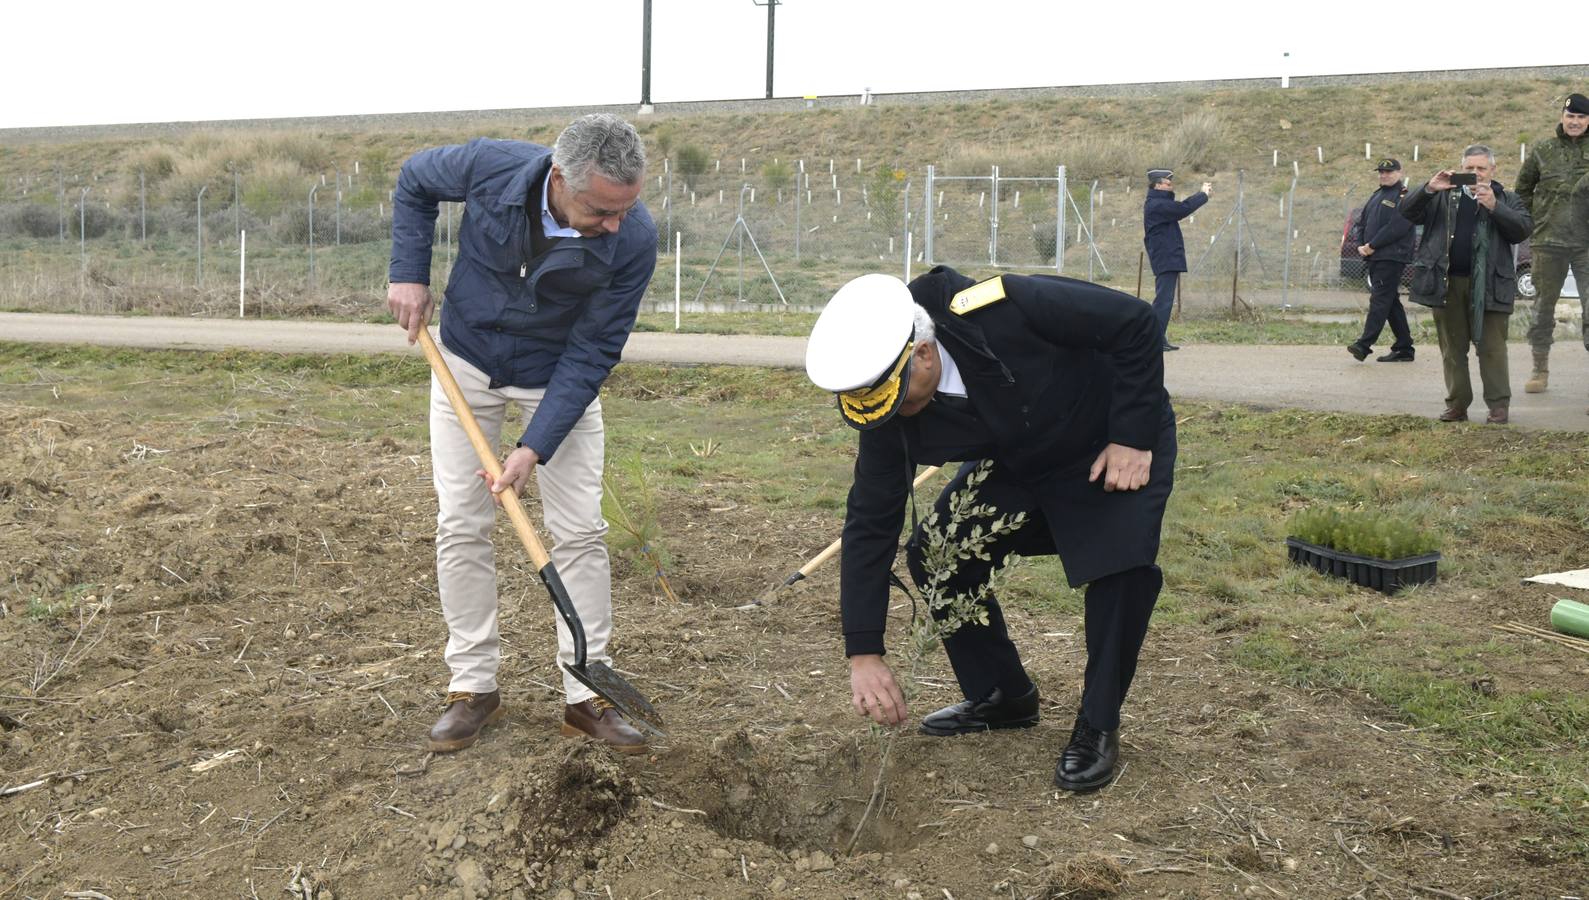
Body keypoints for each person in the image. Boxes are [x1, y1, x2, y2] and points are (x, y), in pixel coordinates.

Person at [803, 266, 1176, 792]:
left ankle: (1098, 724)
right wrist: (863, 651)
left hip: (1107, 436)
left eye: (904, 401)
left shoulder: (1004, 307)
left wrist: (1133, 436)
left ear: (924, 353)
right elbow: (869, 523)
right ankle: (1004, 696)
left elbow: (1136, 323)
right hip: (1023, 459)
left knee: (1122, 569)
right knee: (938, 552)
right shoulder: (887, 411)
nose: (899, 417)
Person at [386, 114, 657, 754]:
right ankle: (473, 686)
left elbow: (593, 351)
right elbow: (414, 181)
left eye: (627, 208)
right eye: (602, 210)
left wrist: (533, 447)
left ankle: (586, 696)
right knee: (461, 522)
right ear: (560, 178)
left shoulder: (634, 238)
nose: (616, 224)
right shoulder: (493, 166)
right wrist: (409, 271)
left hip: (554, 372)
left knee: (581, 532)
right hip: (467, 360)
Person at [1399, 145, 1533, 425]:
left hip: (1491, 285)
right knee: (1452, 348)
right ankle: (1457, 404)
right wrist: (1429, 189)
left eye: (1481, 168)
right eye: (1469, 168)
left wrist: (1494, 206)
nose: (1475, 174)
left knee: (1492, 347)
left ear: (1492, 170)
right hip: (1447, 283)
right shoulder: (1443, 196)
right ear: (1461, 169)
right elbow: (1407, 213)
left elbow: (1521, 230)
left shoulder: (1507, 197)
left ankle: (1498, 406)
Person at [1515, 92, 1589, 395]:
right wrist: (1538, 219)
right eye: (1570, 116)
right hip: (1548, 243)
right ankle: (1539, 369)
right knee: (1543, 308)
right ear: (1562, 117)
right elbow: (1522, 190)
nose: (1575, 122)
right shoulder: (1543, 150)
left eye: (1581, 117)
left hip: (1586, 244)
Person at [1346, 159, 1417, 363]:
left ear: (1399, 172)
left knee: (1380, 299)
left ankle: (1364, 344)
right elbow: (1362, 222)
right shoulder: (1377, 195)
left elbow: (1397, 226)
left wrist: (1373, 245)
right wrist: (1361, 244)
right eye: (1381, 172)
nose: (1384, 175)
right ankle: (1404, 347)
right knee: (1390, 301)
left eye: (1389, 171)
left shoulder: (1404, 196)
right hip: (1374, 255)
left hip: (1391, 256)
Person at [1142, 168, 1211, 351]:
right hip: (1165, 257)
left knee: (1164, 299)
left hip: (1167, 257)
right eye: (1168, 183)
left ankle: (1158, 338)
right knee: (1163, 300)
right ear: (1158, 185)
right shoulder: (1156, 204)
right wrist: (1202, 194)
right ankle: (1153, 340)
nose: (1172, 187)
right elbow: (1183, 208)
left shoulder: (1158, 203)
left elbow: (1179, 208)